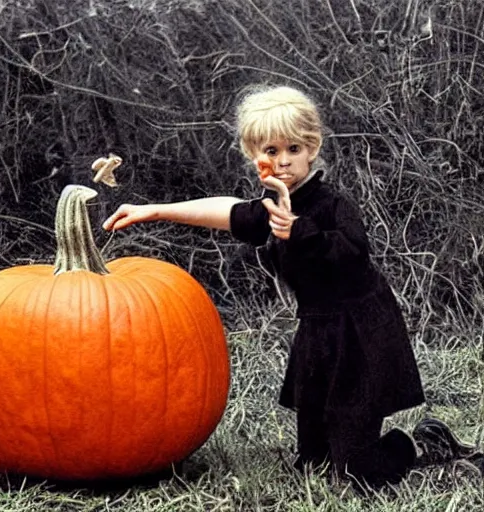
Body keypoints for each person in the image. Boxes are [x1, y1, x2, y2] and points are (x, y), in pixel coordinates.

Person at [103, 85, 482, 489]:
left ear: (312, 148)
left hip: (360, 330)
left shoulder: (331, 204)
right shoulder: (273, 204)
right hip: (318, 329)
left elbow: (354, 251)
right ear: (254, 156)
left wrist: (301, 231)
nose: (282, 161)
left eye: (294, 149)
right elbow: (227, 210)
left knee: (357, 470)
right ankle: (329, 449)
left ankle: (421, 442)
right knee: (312, 460)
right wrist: (154, 211)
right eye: (270, 151)